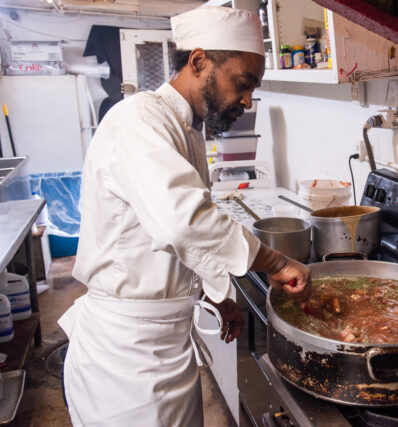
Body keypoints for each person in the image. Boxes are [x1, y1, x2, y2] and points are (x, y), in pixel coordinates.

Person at [58, 4, 311, 426]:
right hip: (126, 361)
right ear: (199, 62)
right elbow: (186, 221)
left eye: (253, 89)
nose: (248, 101)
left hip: (165, 346)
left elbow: (164, 239)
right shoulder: (139, 119)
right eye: (242, 84)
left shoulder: (188, 132)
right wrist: (277, 261)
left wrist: (213, 295)